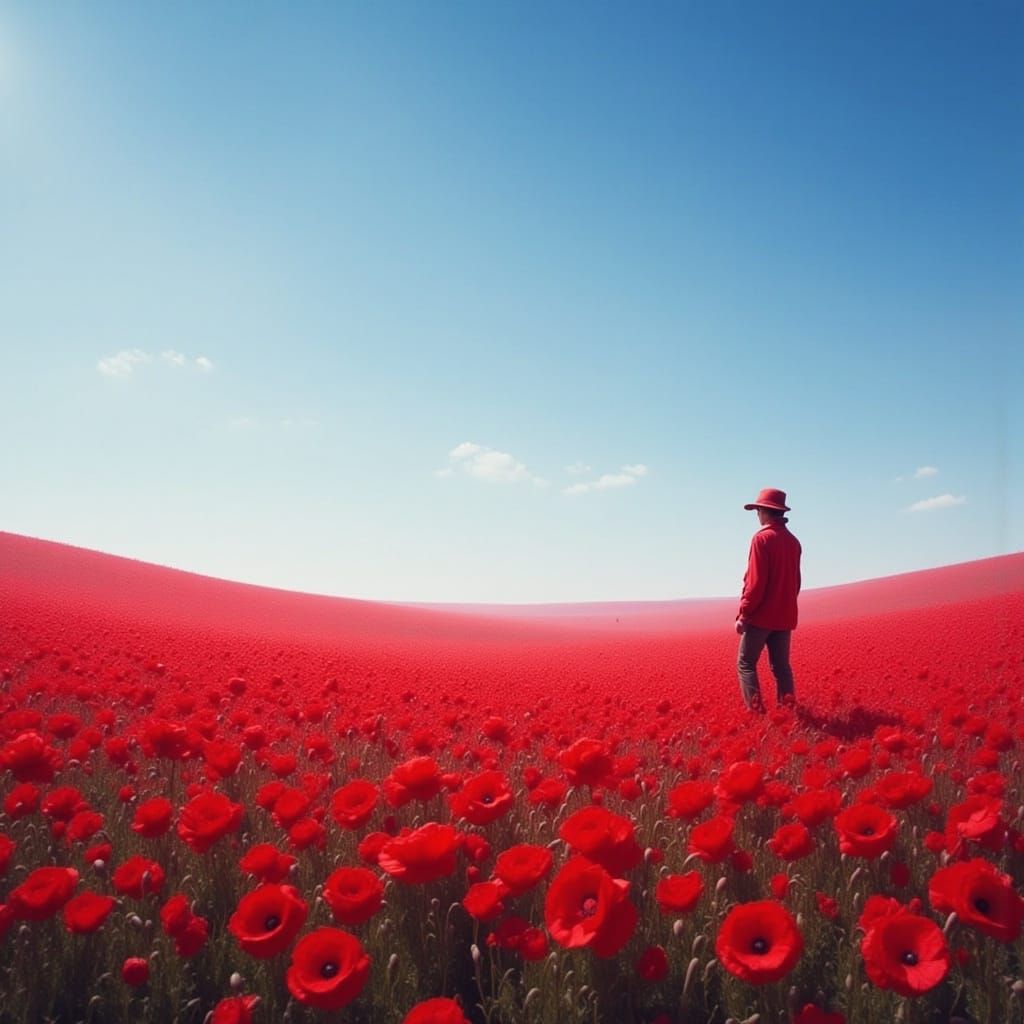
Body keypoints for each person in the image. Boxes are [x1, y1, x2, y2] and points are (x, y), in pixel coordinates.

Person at [735, 488, 802, 712]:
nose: (757, 515)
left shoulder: (761, 539)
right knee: (781, 667)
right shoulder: (793, 542)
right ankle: (788, 714)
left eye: (758, 510)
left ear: (765, 511)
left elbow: (755, 583)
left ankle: (756, 715)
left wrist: (744, 614)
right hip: (785, 616)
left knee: (745, 664)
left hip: (761, 616)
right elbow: (796, 583)